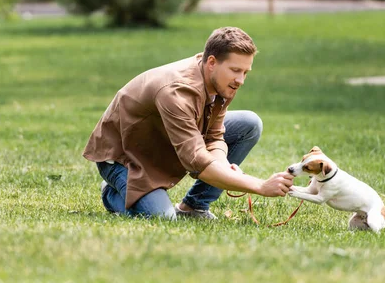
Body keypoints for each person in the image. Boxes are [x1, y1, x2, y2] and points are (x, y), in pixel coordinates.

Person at [83, 26, 294, 219]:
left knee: (249, 124)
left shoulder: (222, 82)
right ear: (211, 62)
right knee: (162, 218)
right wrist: (259, 186)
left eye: (245, 72)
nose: (241, 80)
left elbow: (213, 136)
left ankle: (194, 207)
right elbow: (197, 161)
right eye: (235, 70)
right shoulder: (176, 92)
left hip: (163, 141)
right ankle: (112, 192)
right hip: (124, 156)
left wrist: (223, 166)